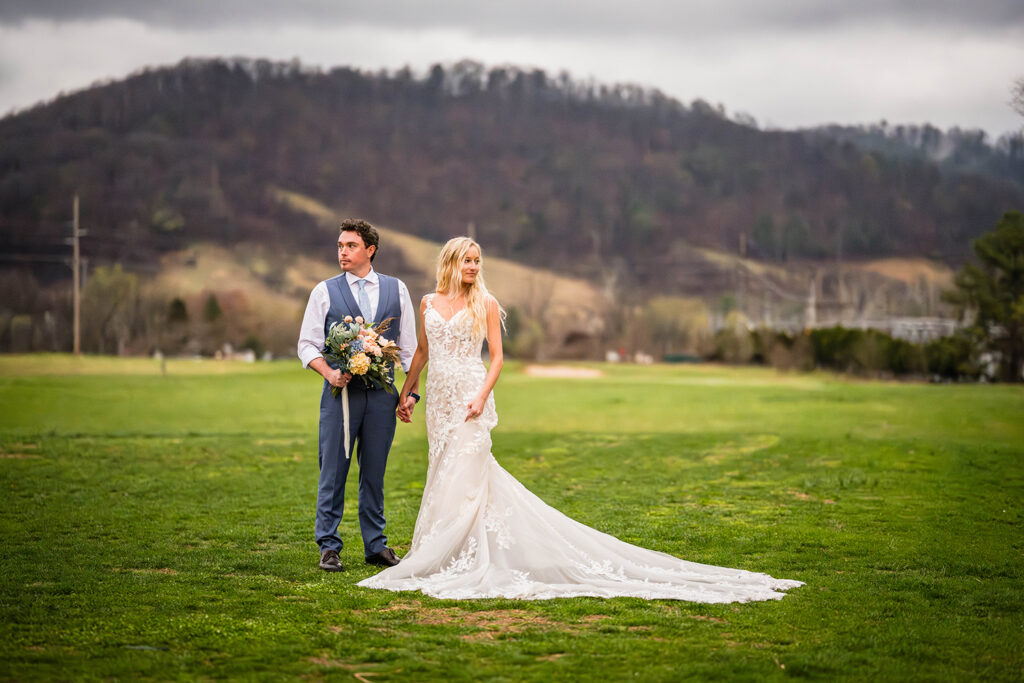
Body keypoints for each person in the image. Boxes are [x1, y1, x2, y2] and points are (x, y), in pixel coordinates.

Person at [358, 237, 804, 602]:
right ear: (451, 262)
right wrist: (409, 392)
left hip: (472, 396)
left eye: (478, 260)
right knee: (442, 468)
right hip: (438, 398)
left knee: (468, 471)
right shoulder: (428, 301)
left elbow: (497, 359)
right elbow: (421, 352)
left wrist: (481, 396)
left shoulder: (486, 303)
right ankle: (444, 551)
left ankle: (460, 554)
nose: (474, 266)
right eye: (468, 260)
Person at [297, 219, 417, 572]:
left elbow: (408, 349)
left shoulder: (398, 290)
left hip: (382, 397)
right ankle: (329, 546)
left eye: (350, 245)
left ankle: (375, 545)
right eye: (339, 246)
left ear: (370, 249)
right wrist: (330, 372)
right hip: (340, 395)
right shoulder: (324, 291)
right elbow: (306, 344)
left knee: (374, 472)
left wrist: (411, 394)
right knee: (332, 470)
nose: (342, 252)